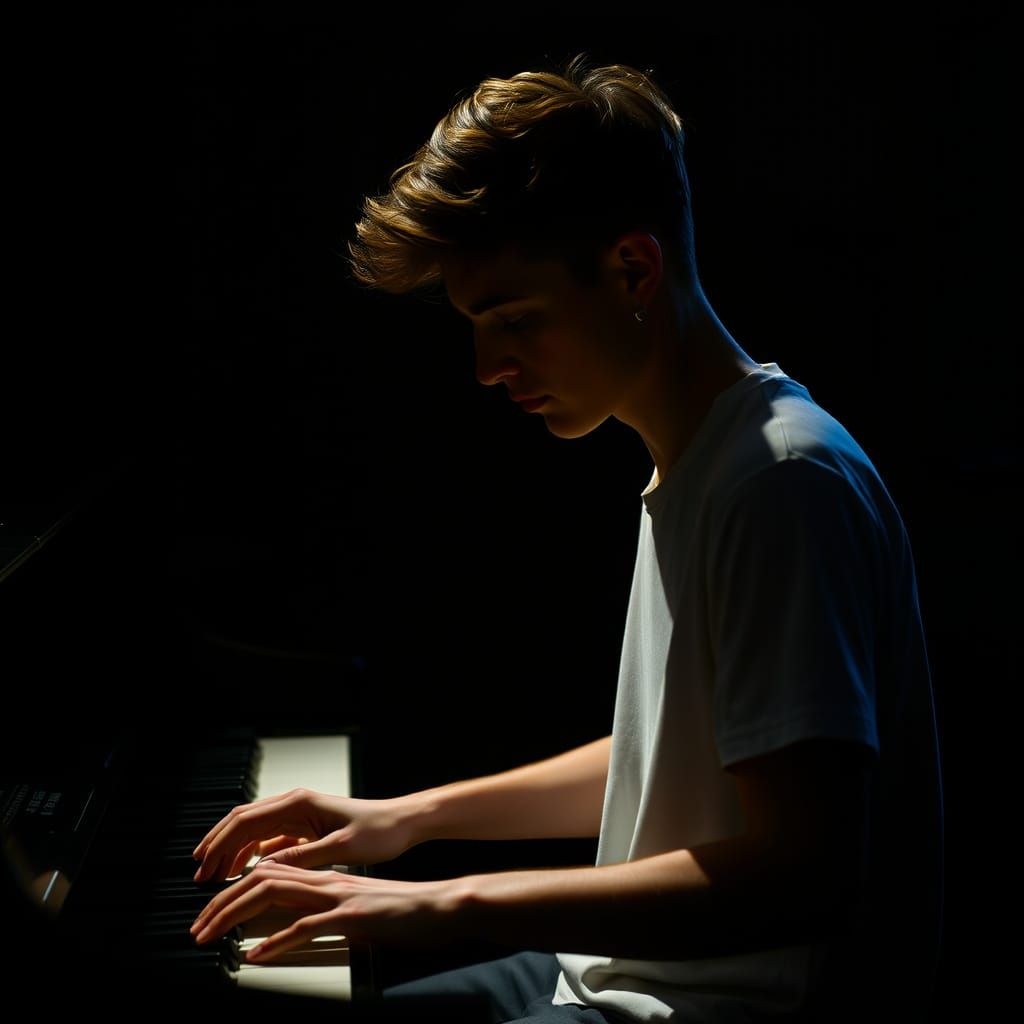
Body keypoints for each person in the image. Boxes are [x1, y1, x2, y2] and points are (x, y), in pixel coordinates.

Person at [188, 53, 944, 1022]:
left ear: (632, 267)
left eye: (513, 319)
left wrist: (438, 900)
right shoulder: (709, 457)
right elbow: (685, 756)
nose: (485, 366)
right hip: (608, 973)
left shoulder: (778, 482)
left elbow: (801, 873)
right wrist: (401, 820)